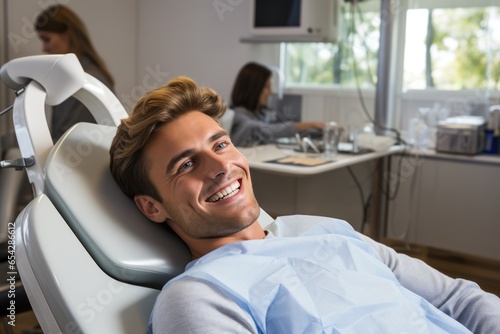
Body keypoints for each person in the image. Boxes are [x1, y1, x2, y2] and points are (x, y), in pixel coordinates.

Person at [109, 76, 500, 333]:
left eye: (221, 144)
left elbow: (457, 299)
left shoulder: (326, 231)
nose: (221, 168)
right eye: (187, 164)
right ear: (152, 207)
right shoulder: (199, 297)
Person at [35, 4, 114, 141]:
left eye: (47, 39)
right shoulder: (75, 75)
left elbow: (67, 143)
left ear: (67, 35)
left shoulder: (83, 79)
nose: (44, 48)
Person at [230, 62, 324, 147]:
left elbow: (278, 131)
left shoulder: (260, 114)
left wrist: (318, 131)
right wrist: (311, 124)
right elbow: (265, 130)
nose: (271, 92)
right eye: (267, 87)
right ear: (253, 88)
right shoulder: (237, 116)